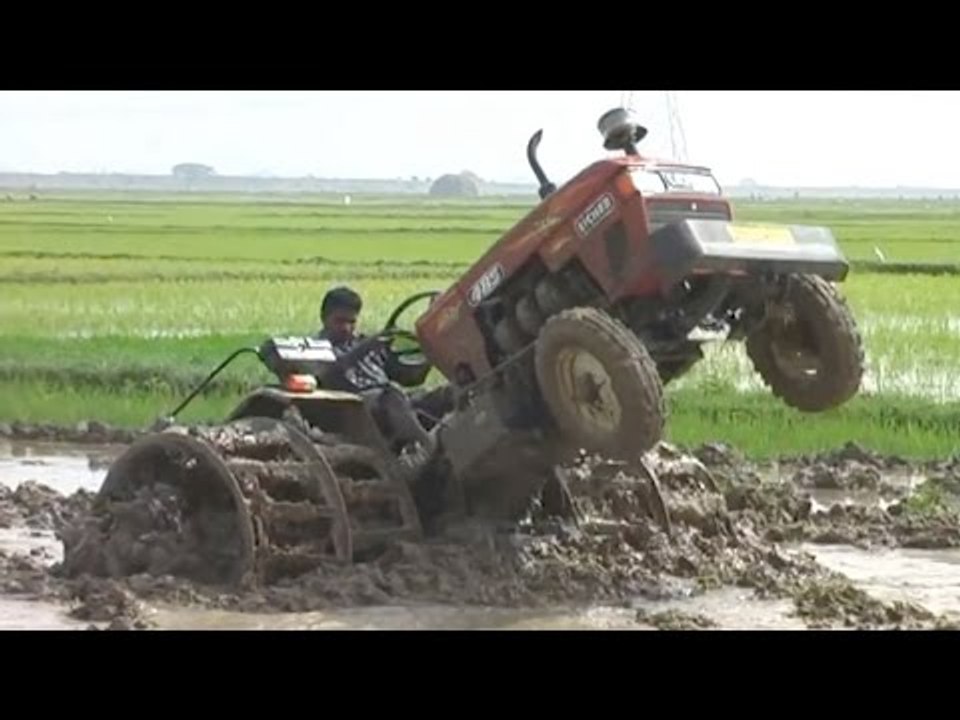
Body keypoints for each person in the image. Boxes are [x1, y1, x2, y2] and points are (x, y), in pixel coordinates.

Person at [316, 286, 446, 458]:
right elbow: (329, 373)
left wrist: (429, 352)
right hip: (356, 410)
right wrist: (366, 347)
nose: (347, 328)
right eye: (340, 321)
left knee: (446, 394)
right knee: (391, 394)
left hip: (394, 403)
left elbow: (409, 379)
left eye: (352, 322)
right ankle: (428, 449)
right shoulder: (316, 348)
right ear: (324, 318)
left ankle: (457, 440)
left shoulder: (365, 342)